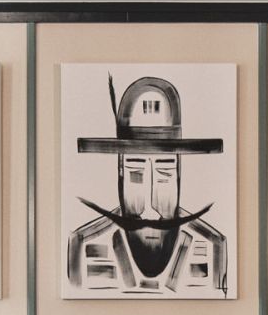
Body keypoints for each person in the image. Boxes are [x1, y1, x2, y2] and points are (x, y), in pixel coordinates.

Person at [66, 74, 228, 296]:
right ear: (120, 174)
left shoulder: (212, 248)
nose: (151, 209)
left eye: (164, 174)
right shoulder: (82, 248)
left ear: (180, 175)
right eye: (136, 174)